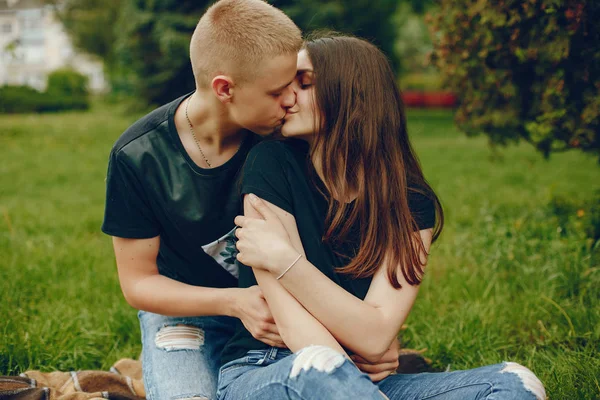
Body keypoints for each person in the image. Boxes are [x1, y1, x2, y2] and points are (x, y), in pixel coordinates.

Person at [218, 34, 547, 400]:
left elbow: (375, 338)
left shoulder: (410, 200)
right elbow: (298, 326)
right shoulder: (270, 164)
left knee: (513, 385)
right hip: (269, 370)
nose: (287, 97)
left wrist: (284, 260)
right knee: (322, 373)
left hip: (367, 383)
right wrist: (352, 362)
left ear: (353, 96)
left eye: (304, 83)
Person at [102, 2, 401, 399]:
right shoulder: (138, 156)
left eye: (297, 84)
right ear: (225, 89)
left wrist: (374, 335)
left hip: (286, 316)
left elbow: (347, 231)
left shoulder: (286, 139)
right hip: (187, 312)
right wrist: (234, 302)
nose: (291, 100)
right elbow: (138, 282)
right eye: (278, 91)